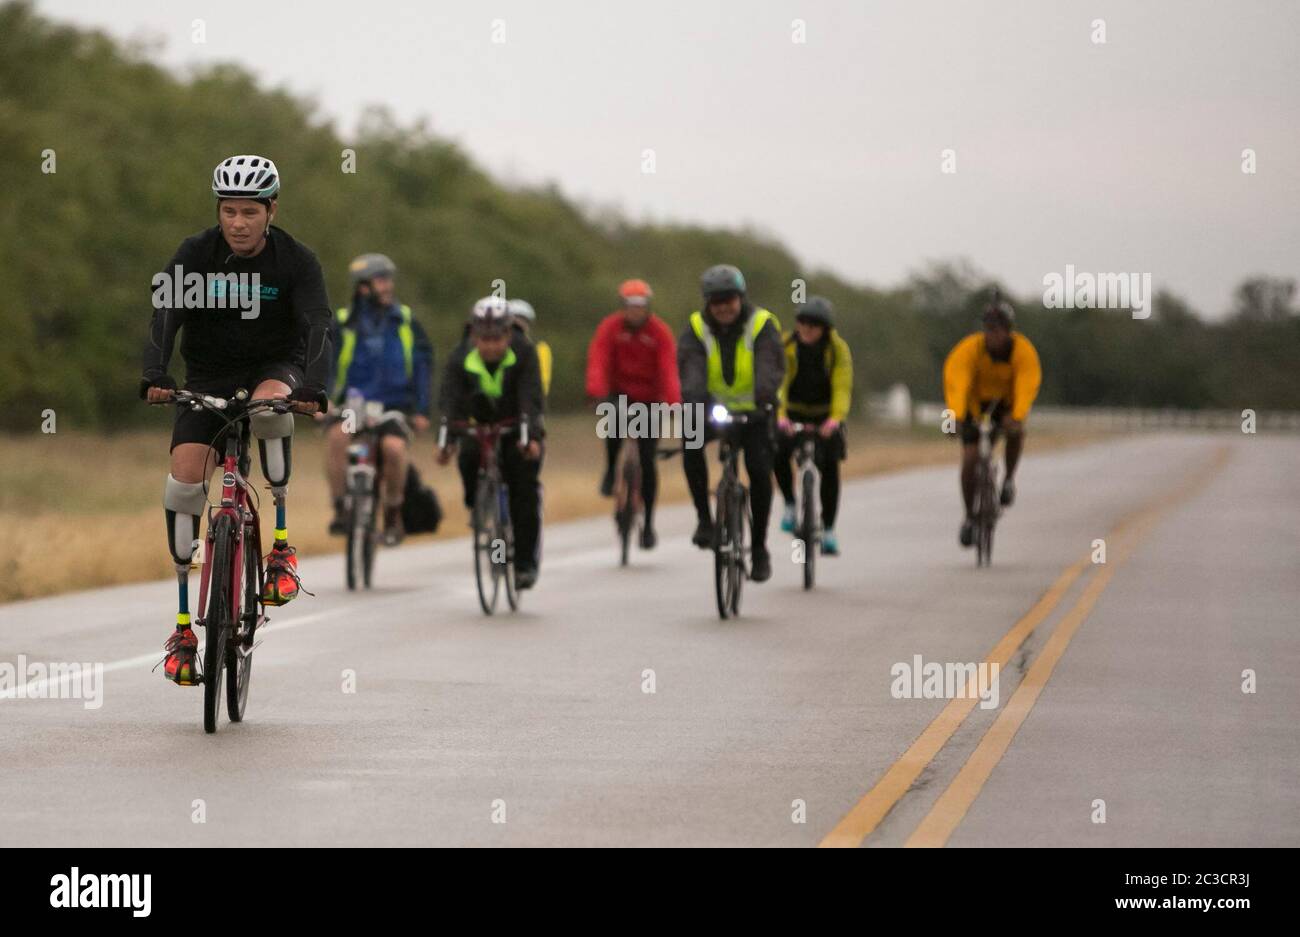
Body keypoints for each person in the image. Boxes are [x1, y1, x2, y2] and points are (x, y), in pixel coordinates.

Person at [141, 154, 331, 685]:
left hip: (275, 366)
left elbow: (318, 323)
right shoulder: (195, 253)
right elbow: (166, 313)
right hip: (207, 374)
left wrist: (313, 387)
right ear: (219, 211)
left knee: (272, 410)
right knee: (182, 481)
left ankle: (282, 549)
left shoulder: (296, 260)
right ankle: (183, 629)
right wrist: (155, 372)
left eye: (250, 211)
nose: (239, 223)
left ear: (271, 209)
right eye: (229, 211)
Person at [678, 264, 784, 583]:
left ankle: (761, 547)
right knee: (690, 442)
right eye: (716, 301)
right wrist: (694, 400)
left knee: (759, 468)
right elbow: (690, 367)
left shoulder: (762, 324)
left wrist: (765, 397)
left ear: (741, 298)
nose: (723, 307)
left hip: (756, 410)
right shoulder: (696, 328)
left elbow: (770, 363)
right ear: (707, 303)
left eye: (729, 299)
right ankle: (704, 520)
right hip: (712, 409)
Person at [324, 253, 433, 544]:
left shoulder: (406, 321)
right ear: (363, 287)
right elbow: (327, 364)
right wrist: (324, 400)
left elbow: (423, 366)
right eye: (381, 280)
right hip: (354, 403)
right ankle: (340, 510)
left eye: (388, 280)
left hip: (395, 404)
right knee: (337, 437)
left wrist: (421, 409)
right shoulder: (344, 323)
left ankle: (393, 514)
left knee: (394, 449)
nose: (388, 286)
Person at [437, 297, 545, 589]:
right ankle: (478, 503)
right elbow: (449, 399)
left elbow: (531, 397)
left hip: (516, 424)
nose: (491, 346)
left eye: (497, 339)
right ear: (474, 336)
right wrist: (446, 439)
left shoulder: (524, 352)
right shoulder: (460, 357)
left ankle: (524, 564)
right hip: (480, 424)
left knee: (524, 488)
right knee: (468, 453)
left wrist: (531, 436)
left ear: (508, 334)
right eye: (484, 339)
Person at [585, 278, 681, 548]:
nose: (635, 311)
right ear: (623, 306)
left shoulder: (660, 332)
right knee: (613, 426)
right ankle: (609, 469)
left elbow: (668, 370)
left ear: (648, 307)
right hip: (618, 395)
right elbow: (598, 361)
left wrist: (674, 404)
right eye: (630, 306)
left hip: (650, 400)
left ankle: (648, 523)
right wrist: (596, 392)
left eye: (640, 306)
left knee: (648, 460)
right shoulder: (610, 328)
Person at [942, 293, 1042, 547]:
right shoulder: (969, 350)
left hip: (1006, 407)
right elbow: (957, 381)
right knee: (970, 458)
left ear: (1009, 331)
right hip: (975, 407)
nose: (993, 336)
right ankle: (968, 517)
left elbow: (1027, 383)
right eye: (989, 330)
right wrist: (954, 416)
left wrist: (1017, 416)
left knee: (1017, 434)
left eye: (999, 331)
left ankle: (1008, 479)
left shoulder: (1023, 352)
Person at [774, 296, 853, 555]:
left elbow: (842, 386)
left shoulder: (837, 349)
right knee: (776, 449)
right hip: (793, 413)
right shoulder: (785, 345)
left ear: (825, 329)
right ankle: (788, 502)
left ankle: (828, 528)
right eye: (803, 323)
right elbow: (779, 382)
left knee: (830, 468)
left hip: (824, 416)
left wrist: (835, 418)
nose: (807, 329)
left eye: (814, 325)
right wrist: (781, 415)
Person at [508, 298, 552, 397]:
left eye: (523, 320)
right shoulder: (497, 348)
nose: (519, 325)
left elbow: (542, 382)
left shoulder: (540, 348)